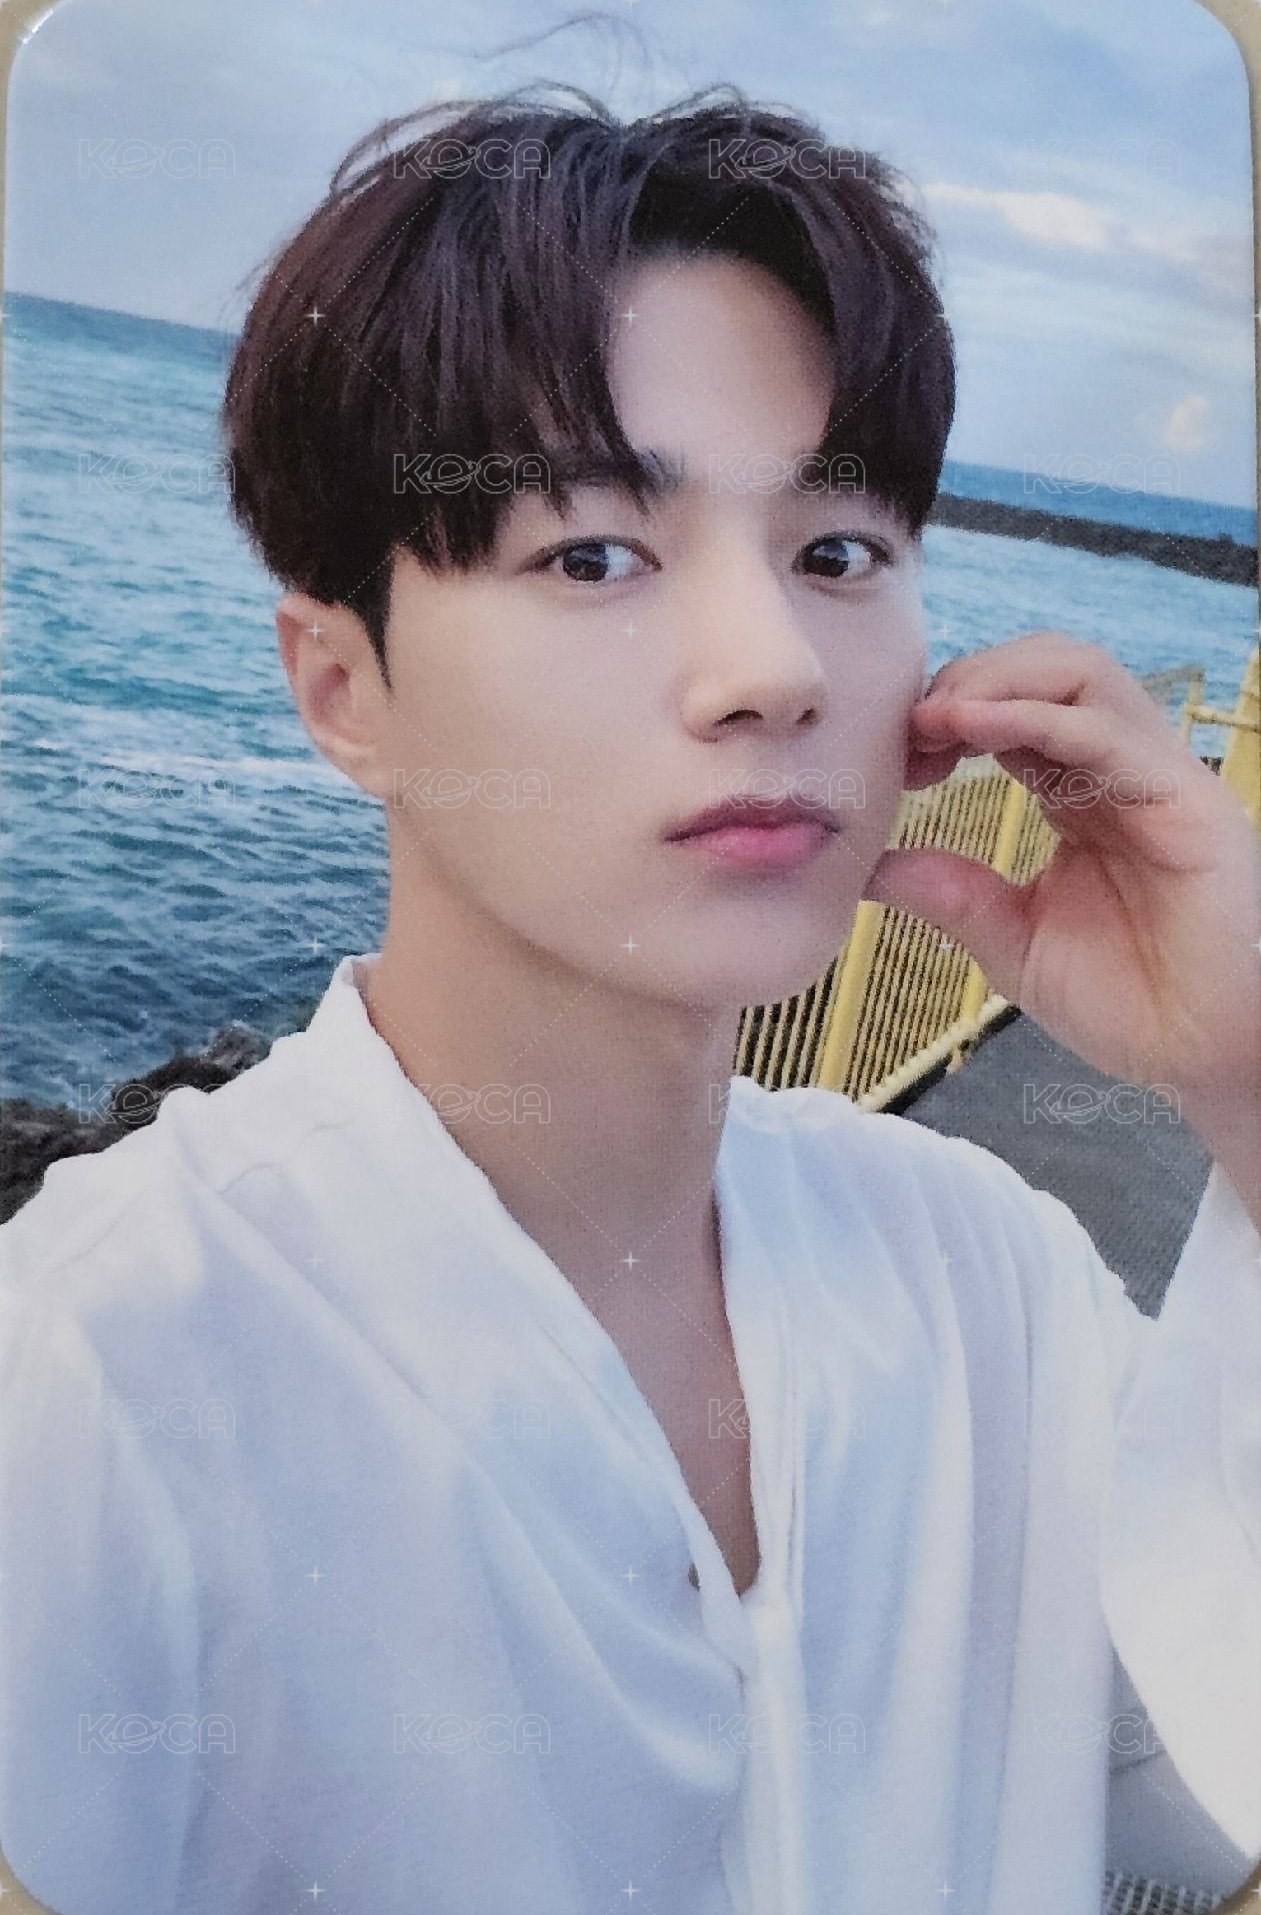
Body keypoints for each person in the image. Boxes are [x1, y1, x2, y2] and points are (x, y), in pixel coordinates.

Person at [1, 84, 1259, 1915]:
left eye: (836, 553)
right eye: (589, 553)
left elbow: (1207, 1779)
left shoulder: (980, 1269)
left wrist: (1248, 1079)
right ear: (342, 689)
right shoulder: (96, 1376)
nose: (770, 666)